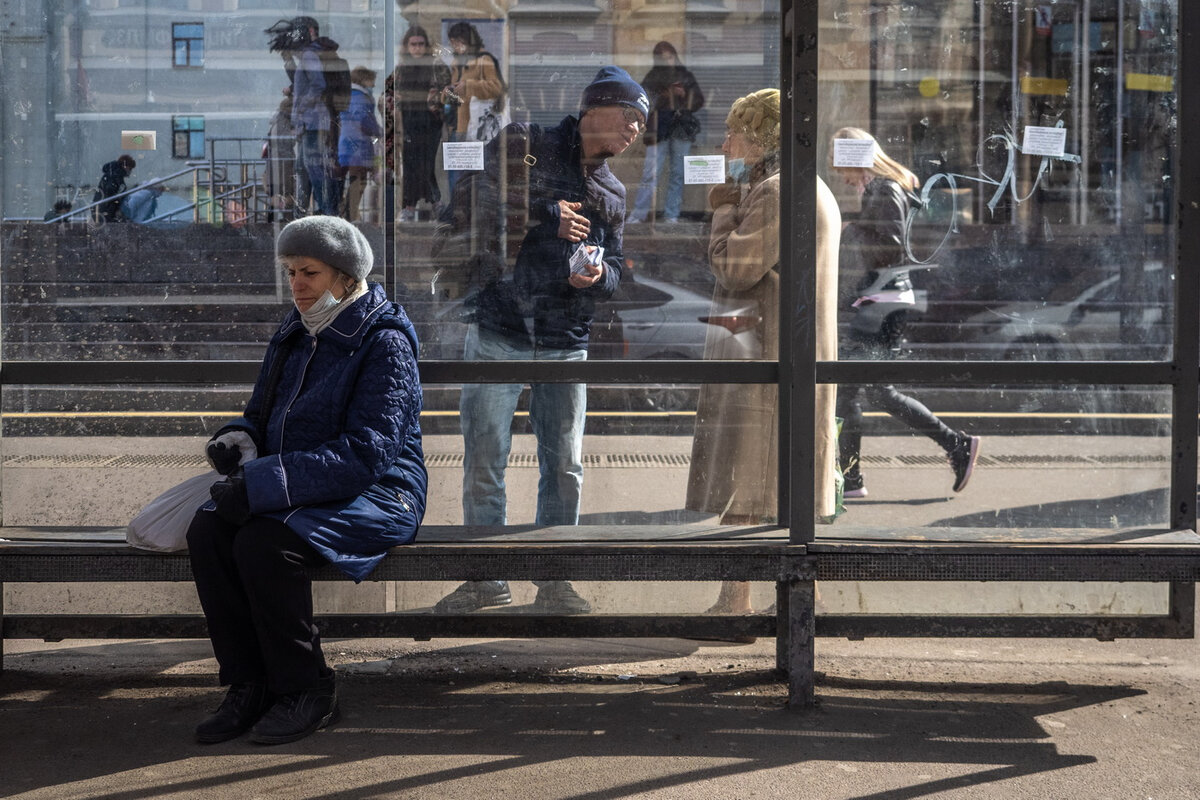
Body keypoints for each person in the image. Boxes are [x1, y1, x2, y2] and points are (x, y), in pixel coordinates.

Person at [186, 215, 428, 745]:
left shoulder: (382, 342)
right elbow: (259, 412)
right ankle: (249, 684)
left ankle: (306, 688)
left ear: (344, 277)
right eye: (291, 271)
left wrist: (263, 483)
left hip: (379, 493)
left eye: (309, 273)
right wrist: (239, 441)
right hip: (296, 485)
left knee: (264, 544)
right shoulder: (295, 330)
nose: (296, 285)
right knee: (207, 533)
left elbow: (367, 454)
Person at [432, 66, 650, 615]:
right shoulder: (523, 144)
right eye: (631, 118)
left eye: (641, 126)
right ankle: (487, 579)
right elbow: (468, 210)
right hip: (500, 327)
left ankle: (555, 580)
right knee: (486, 458)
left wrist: (600, 277)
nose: (635, 133)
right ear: (596, 108)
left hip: (565, 338)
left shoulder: (613, 190)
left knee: (564, 465)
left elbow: (620, 270)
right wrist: (546, 216)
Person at [685, 90, 841, 618]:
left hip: (767, 361)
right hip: (774, 351)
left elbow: (735, 268)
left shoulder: (776, 191)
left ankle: (736, 604)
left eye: (734, 132)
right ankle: (796, 606)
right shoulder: (797, 186)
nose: (725, 142)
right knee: (771, 492)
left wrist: (723, 205)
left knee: (749, 488)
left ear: (761, 137)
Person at [830, 126, 980, 498]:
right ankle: (955, 446)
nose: (841, 176)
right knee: (877, 393)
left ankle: (852, 481)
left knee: (849, 392)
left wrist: (848, 231)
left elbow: (891, 247)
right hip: (883, 302)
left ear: (857, 158)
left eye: (842, 165)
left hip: (881, 304)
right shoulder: (881, 189)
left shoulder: (885, 189)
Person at [271, 16, 345, 216]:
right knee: (304, 168)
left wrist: (302, 106)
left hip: (312, 122)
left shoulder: (309, 56)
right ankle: (306, 210)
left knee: (313, 169)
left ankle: (327, 211)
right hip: (307, 123)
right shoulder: (307, 57)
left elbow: (318, 85)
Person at [628, 42, 705, 224]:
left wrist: (683, 94)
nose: (667, 61)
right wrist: (662, 96)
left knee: (678, 174)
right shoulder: (653, 77)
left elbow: (698, 101)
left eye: (669, 57)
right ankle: (639, 214)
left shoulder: (685, 76)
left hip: (680, 129)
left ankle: (672, 215)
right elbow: (642, 102)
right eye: (662, 58)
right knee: (650, 173)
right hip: (659, 129)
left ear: (675, 56)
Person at [380, 25, 451, 222]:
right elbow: (386, 93)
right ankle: (427, 205)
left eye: (421, 44)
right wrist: (395, 101)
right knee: (411, 164)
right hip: (409, 122)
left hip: (432, 122)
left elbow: (452, 94)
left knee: (426, 164)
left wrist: (437, 96)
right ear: (407, 46)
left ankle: (415, 206)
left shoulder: (437, 65)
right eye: (413, 44)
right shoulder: (401, 68)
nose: (417, 48)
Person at [440, 22, 506, 193]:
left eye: (458, 41)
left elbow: (496, 88)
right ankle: (458, 213)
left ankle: (471, 213)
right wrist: (448, 93)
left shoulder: (484, 60)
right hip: (457, 126)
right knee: (456, 176)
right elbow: (458, 98)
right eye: (452, 41)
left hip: (475, 128)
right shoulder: (457, 62)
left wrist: (469, 85)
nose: (455, 45)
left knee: (473, 175)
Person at [338, 66, 382, 221]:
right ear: (363, 80)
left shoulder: (347, 96)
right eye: (371, 81)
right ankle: (350, 214)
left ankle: (345, 211)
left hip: (346, 146)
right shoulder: (361, 98)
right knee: (359, 181)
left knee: (348, 182)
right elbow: (364, 119)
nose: (374, 85)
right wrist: (378, 131)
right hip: (358, 146)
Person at [94, 154, 135, 222]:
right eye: (130, 168)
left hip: (102, 208)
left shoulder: (112, 174)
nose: (130, 171)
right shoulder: (115, 176)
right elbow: (111, 191)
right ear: (124, 166)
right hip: (105, 209)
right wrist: (118, 201)